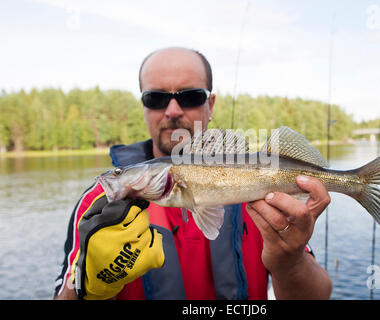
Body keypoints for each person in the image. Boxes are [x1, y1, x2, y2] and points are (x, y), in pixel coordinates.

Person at [54, 47, 332, 300]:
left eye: (189, 96)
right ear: (143, 107)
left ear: (210, 105)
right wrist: (88, 286)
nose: (172, 111)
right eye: (156, 98)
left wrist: (290, 261)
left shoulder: (266, 199)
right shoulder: (97, 207)